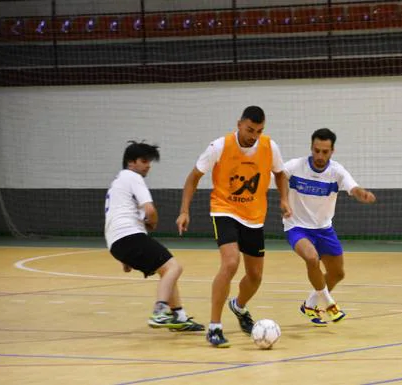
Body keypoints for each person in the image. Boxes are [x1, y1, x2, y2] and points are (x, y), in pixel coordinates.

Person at [176, 106, 291, 348]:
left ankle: (238, 306)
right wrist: (184, 211)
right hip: (224, 210)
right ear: (239, 124)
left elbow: (280, 174)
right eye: (250, 129)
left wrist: (284, 199)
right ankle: (215, 327)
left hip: (254, 216)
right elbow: (193, 177)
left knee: (255, 276)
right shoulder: (219, 146)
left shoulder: (270, 146)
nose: (254, 135)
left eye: (259, 131)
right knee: (230, 263)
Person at [104, 141, 204, 331]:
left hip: (117, 242)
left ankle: (179, 316)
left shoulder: (117, 183)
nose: (148, 165)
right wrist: (154, 222)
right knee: (174, 267)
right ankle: (160, 311)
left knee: (165, 269)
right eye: (144, 161)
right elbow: (150, 209)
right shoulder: (133, 177)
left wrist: (125, 258)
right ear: (131, 162)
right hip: (130, 236)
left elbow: (115, 220)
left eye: (149, 161)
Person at [283, 128, 376, 326]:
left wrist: (363, 194)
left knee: (337, 274)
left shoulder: (337, 171)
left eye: (325, 152)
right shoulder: (295, 166)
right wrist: (283, 199)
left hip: (324, 229)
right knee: (311, 258)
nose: (319, 156)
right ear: (311, 148)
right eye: (316, 150)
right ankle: (329, 303)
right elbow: (279, 174)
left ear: (332, 151)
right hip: (297, 226)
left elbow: (353, 188)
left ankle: (309, 305)